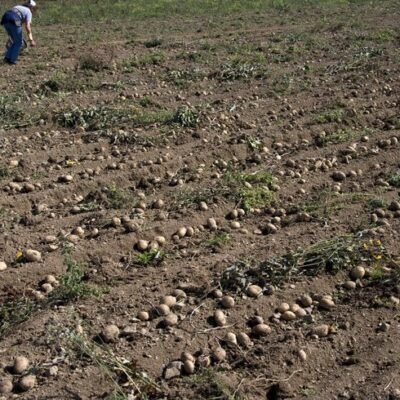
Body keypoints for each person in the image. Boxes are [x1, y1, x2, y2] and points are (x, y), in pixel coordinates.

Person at [1, 0, 37, 65]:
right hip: (14, 20)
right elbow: (27, 26)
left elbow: (11, 15)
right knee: (19, 43)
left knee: (15, 41)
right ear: (31, 7)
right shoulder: (28, 12)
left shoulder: (18, 6)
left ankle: (7, 58)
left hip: (5, 19)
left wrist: (11, 37)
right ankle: (12, 61)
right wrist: (31, 40)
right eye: (33, 8)